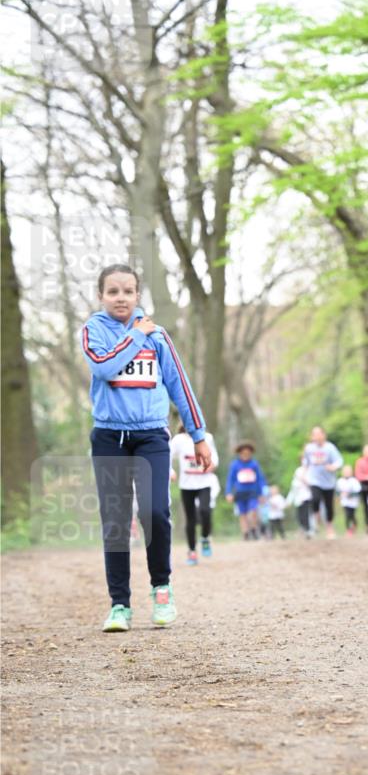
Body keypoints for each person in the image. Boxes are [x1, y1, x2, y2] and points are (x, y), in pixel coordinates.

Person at [83, 263, 212, 632]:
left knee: (155, 512)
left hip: (153, 435)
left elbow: (179, 384)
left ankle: (161, 588)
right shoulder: (94, 330)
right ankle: (120, 605)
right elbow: (105, 367)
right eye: (113, 291)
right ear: (101, 296)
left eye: (127, 291)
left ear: (138, 295)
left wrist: (198, 434)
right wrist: (136, 336)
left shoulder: (158, 336)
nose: (120, 297)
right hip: (109, 437)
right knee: (116, 522)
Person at [170, 425, 219, 564]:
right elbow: (167, 455)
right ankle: (192, 551)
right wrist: (170, 470)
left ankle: (205, 537)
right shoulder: (178, 439)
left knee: (205, 511)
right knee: (190, 519)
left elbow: (215, 458)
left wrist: (212, 465)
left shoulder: (207, 437)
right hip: (186, 485)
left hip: (204, 482)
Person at [302, 426, 343, 539]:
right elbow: (305, 463)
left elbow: (339, 461)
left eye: (319, 434)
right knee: (315, 499)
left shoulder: (330, 448)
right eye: (314, 434)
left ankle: (329, 528)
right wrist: (304, 475)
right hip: (314, 479)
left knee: (329, 505)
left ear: (324, 435)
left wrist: (333, 467)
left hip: (329, 481)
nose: (316, 436)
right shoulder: (309, 448)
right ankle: (316, 519)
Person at [225, 441, 266, 540]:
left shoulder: (254, 464)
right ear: (239, 454)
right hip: (240, 492)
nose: (246, 456)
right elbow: (230, 479)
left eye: (248, 454)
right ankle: (245, 533)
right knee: (242, 514)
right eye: (243, 454)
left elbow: (260, 479)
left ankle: (253, 529)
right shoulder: (235, 465)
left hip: (252, 491)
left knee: (253, 511)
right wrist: (228, 492)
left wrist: (262, 494)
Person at [286, 458, 313, 537]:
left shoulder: (311, 471)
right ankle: (303, 529)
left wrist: (305, 481)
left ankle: (308, 529)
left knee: (306, 514)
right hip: (298, 499)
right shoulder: (298, 473)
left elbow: (313, 485)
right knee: (299, 515)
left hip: (307, 497)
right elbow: (293, 490)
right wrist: (289, 501)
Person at [336, 465, 362, 535]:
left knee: (352, 515)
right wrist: (339, 496)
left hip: (353, 502)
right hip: (344, 502)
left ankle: (354, 525)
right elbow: (337, 491)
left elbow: (358, 491)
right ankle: (348, 529)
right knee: (347, 515)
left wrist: (349, 494)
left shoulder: (354, 481)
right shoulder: (340, 481)